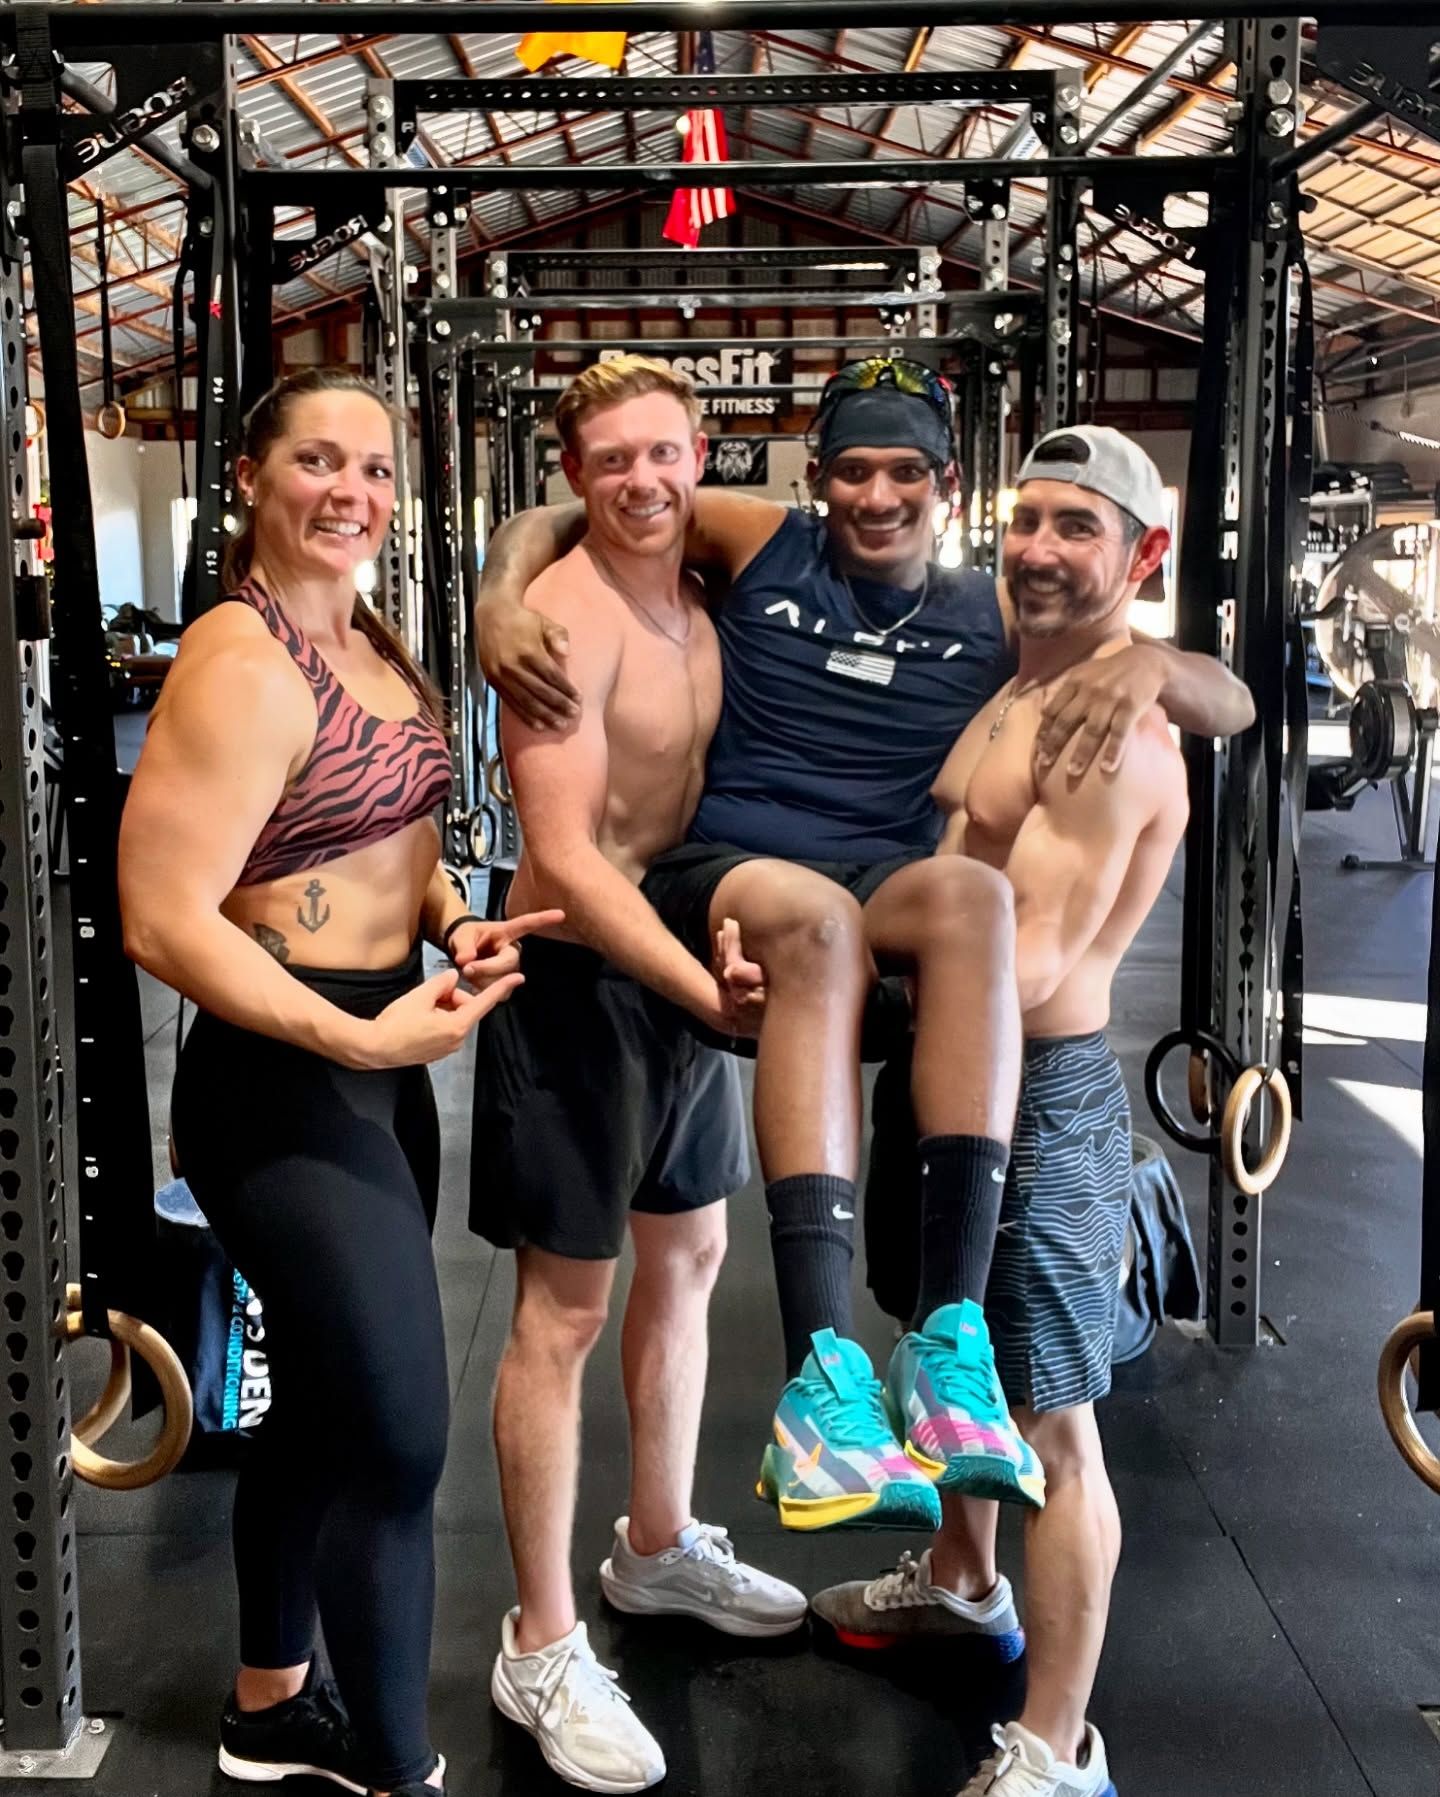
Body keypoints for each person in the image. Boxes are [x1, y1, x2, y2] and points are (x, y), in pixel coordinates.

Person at [476, 361, 1253, 1538]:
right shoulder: (763, 542)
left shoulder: (988, 610)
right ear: (816, 477)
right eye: (850, 469)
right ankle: (822, 1377)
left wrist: (1152, 657)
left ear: (946, 487)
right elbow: (574, 503)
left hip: (874, 890)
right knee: (821, 927)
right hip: (727, 875)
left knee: (969, 904)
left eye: (904, 472)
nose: (875, 494)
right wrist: (494, 596)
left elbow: (1228, 699)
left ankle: (947, 1343)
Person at [118, 369, 556, 1797]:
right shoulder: (238, 662)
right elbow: (163, 917)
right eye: (319, 461)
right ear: (249, 475)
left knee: (323, 1400)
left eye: (373, 470)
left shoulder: (371, 639)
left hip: (383, 1055)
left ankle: (267, 1707)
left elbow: (401, 846)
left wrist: (450, 919)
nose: (353, 494)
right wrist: (358, 1037)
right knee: (397, 1438)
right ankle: (400, 1769)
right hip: (285, 1079)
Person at [810, 426, 1194, 1797]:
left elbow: (1019, 973)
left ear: (1142, 554)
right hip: (946, 1085)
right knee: (943, 1352)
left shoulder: (1108, 735)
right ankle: (967, 1578)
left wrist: (819, 961)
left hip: (1034, 1099)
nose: (1037, 549)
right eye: (1025, 520)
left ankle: (1056, 1744)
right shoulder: (1020, 689)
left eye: (1075, 528)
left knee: (1052, 1419)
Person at [474, 356, 805, 1797]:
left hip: (684, 961)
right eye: (609, 460)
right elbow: (557, 861)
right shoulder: (559, 623)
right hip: (580, 975)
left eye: (664, 453)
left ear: (702, 452)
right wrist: (710, 1001)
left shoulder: (712, 576)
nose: (644, 482)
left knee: (693, 1255)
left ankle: (656, 1547)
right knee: (567, 1304)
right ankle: (540, 1639)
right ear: (574, 471)